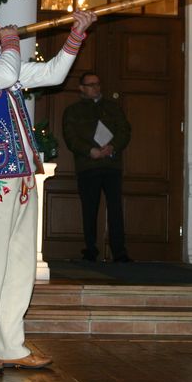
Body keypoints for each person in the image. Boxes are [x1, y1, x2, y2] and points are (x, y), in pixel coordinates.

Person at [0, 0, 95, 373]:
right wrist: (12, 42)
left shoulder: (1, 66)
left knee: (20, 264)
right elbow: (5, 74)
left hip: (22, 177)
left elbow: (53, 75)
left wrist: (76, 35)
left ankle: (11, 344)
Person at [62, 72, 132, 263]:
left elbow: (125, 130)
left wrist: (113, 147)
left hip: (111, 165)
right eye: (91, 85)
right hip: (88, 166)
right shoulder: (73, 111)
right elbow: (70, 137)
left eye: (97, 84)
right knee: (89, 208)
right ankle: (90, 250)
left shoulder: (112, 107)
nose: (96, 88)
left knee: (115, 208)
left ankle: (119, 251)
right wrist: (89, 151)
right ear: (81, 88)